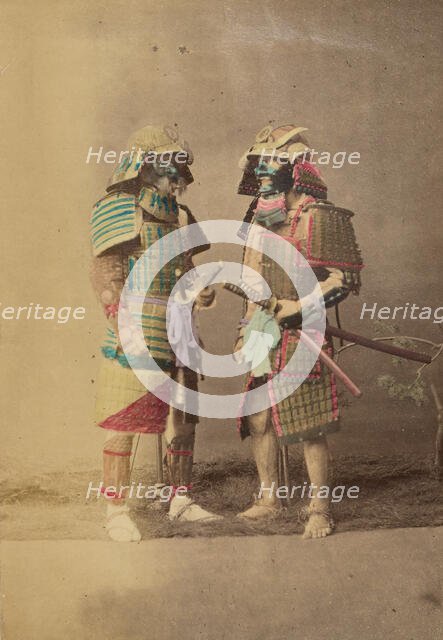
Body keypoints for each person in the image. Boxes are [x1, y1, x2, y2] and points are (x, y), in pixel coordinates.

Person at [90, 125, 222, 542]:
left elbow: (185, 270)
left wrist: (201, 291)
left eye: (179, 161)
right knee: (124, 420)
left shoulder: (181, 215)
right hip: (136, 324)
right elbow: (106, 272)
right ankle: (116, 509)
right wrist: (119, 319)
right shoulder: (119, 208)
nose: (175, 171)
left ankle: (180, 499)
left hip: (179, 326)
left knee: (182, 420)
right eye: (167, 160)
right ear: (144, 164)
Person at [235, 124, 363, 538]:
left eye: (273, 163)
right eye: (260, 164)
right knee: (259, 418)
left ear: (295, 168)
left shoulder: (318, 217)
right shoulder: (258, 218)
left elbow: (341, 280)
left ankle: (320, 508)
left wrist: (301, 306)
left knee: (310, 421)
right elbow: (251, 277)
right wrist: (246, 326)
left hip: (303, 330)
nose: (265, 171)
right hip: (261, 329)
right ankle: (269, 498)